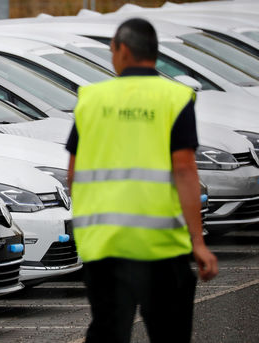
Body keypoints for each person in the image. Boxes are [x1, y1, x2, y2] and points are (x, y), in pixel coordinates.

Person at [66, 18, 219, 343]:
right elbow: (185, 171)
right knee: (170, 335)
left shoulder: (92, 99)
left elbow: (73, 175)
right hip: (161, 248)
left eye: (111, 49)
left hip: (105, 246)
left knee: (108, 332)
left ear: (122, 49)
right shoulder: (175, 98)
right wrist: (199, 243)